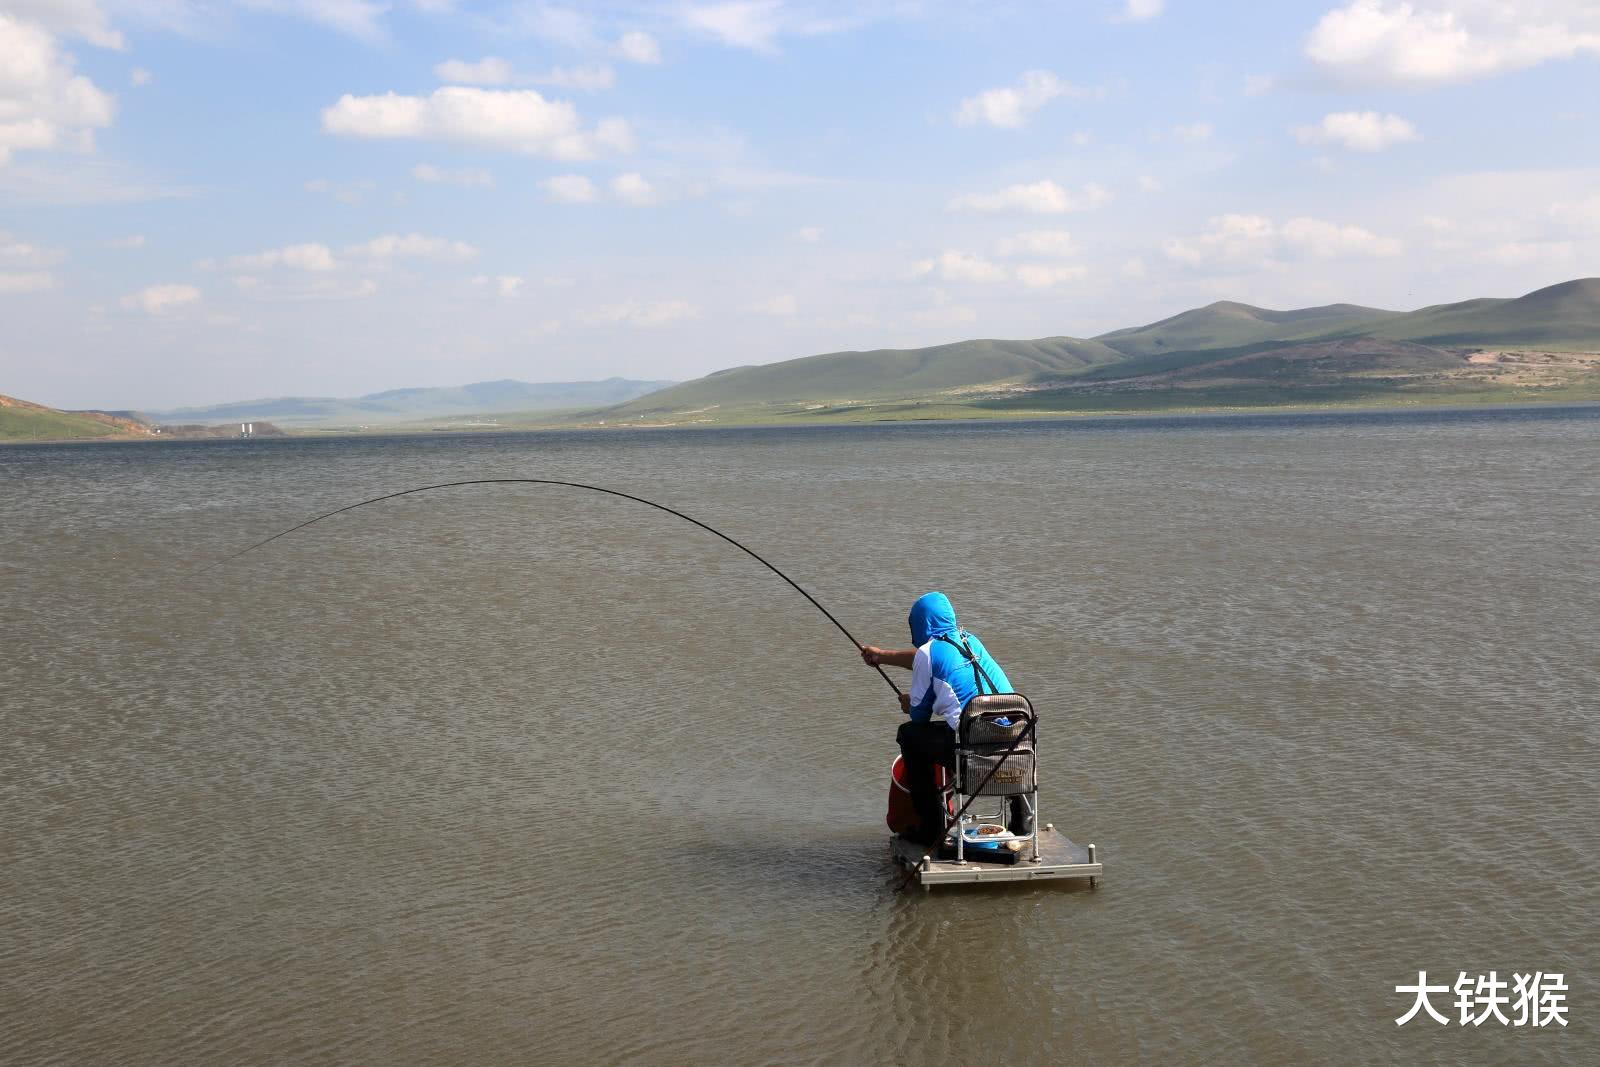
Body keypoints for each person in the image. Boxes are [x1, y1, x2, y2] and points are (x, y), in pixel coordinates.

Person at [860, 591, 1029, 846]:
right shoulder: (970, 641)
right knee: (994, 729)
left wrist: (909, 703)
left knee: (910, 735)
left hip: (972, 751)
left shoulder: (929, 653)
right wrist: (881, 656)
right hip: (1014, 745)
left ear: (921, 624)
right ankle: (1022, 819)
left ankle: (931, 827)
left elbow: (919, 715)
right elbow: (928, 660)